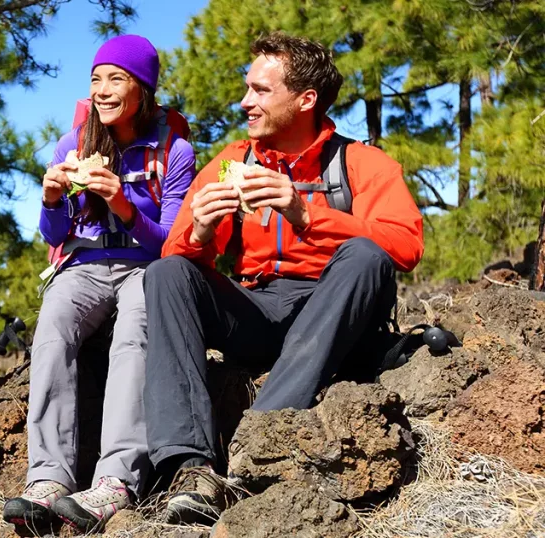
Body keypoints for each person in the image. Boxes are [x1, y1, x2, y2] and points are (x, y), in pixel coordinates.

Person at [143, 32, 423, 525]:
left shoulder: (360, 162)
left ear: (305, 99)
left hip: (335, 317)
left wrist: (306, 213)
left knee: (364, 254)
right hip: (259, 309)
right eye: (247, 88)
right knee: (168, 272)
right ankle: (191, 468)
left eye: (261, 90)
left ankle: (259, 440)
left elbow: (404, 246)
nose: (245, 101)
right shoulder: (234, 161)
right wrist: (201, 230)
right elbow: (177, 257)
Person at [2, 34, 195, 533]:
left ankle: (116, 480)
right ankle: (47, 478)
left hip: (142, 266)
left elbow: (170, 242)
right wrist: (49, 200)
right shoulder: (74, 144)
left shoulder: (173, 151)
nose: (102, 90)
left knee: (134, 336)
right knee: (51, 331)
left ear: (143, 89)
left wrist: (123, 205)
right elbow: (55, 235)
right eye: (95, 79)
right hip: (83, 266)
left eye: (116, 79)